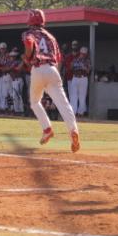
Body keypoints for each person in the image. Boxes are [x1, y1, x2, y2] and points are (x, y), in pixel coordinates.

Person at [22, 9, 80, 153]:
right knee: (64, 104)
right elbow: (59, 59)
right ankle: (73, 130)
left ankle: (47, 129)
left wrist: (27, 57)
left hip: (37, 68)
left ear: (30, 21)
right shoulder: (51, 37)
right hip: (53, 69)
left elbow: (29, 43)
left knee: (35, 102)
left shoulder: (28, 33)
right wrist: (55, 75)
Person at [69, 46, 91, 117]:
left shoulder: (87, 61)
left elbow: (88, 71)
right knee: (73, 96)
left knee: (82, 96)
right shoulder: (76, 59)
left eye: (84, 54)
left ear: (86, 54)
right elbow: (71, 67)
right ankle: (73, 112)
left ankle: (80, 112)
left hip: (83, 78)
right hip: (75, 78)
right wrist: (75, 63)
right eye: (81, 53)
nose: (82, 55)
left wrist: (83, 67)